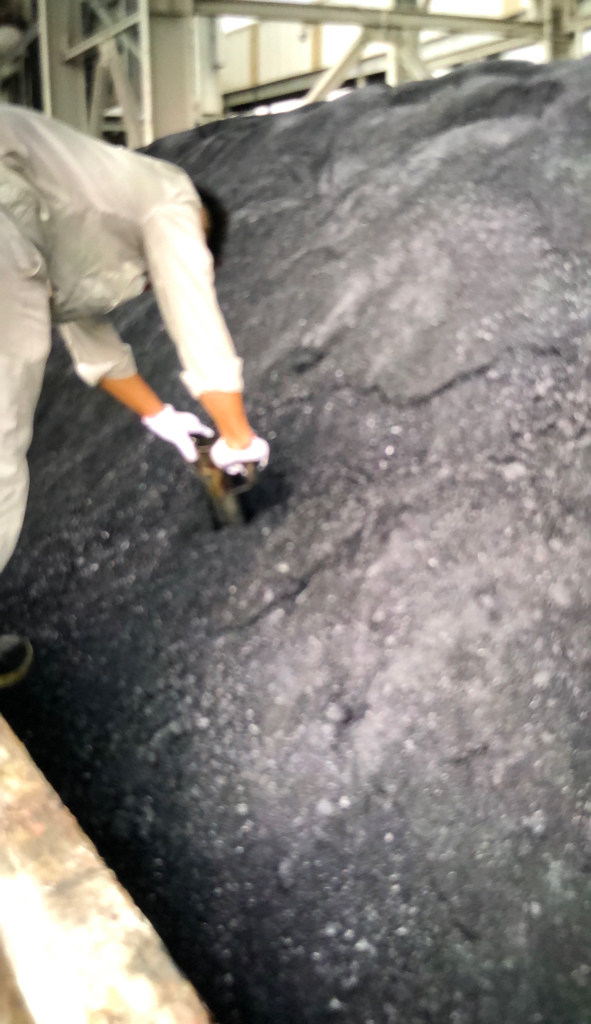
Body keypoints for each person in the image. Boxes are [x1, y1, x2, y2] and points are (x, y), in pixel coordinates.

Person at [0, 104, 269, 688]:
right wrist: (237, 437)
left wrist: (164, 418)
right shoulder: (174, 202)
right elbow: (193, 316)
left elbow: (91, 340)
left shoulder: (75, 231)